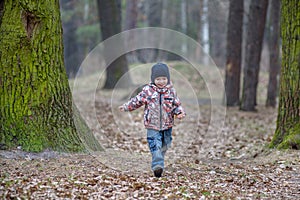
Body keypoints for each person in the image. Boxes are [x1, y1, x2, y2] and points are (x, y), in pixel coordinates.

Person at [119, 62, 185, 177]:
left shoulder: (171, 91)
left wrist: (179, 112)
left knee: (166, 144)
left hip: (167, 124)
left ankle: (159, 159)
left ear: (168, 79)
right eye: (158, 79)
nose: (161, 82)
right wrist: (126, 107)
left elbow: (176, 104)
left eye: (164, 79)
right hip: (152, 124)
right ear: (153, 79)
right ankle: (157, 167)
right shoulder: (147, 91)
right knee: (155, 144)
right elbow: (137, 101)